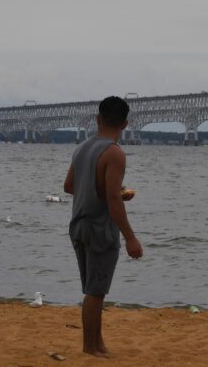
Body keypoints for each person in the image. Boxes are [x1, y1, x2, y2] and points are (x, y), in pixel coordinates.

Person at [63, 96, 143, 358]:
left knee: (93, 289)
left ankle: (97, 343)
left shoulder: (82, 148)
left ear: (98, 119)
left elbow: (69, 187)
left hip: (78, 225)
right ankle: (90, 347)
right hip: (99, 229)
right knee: (95, 292)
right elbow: (111, 200)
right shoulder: (114, 153)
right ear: (125, 124)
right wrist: (131, 238)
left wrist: (111, 191)